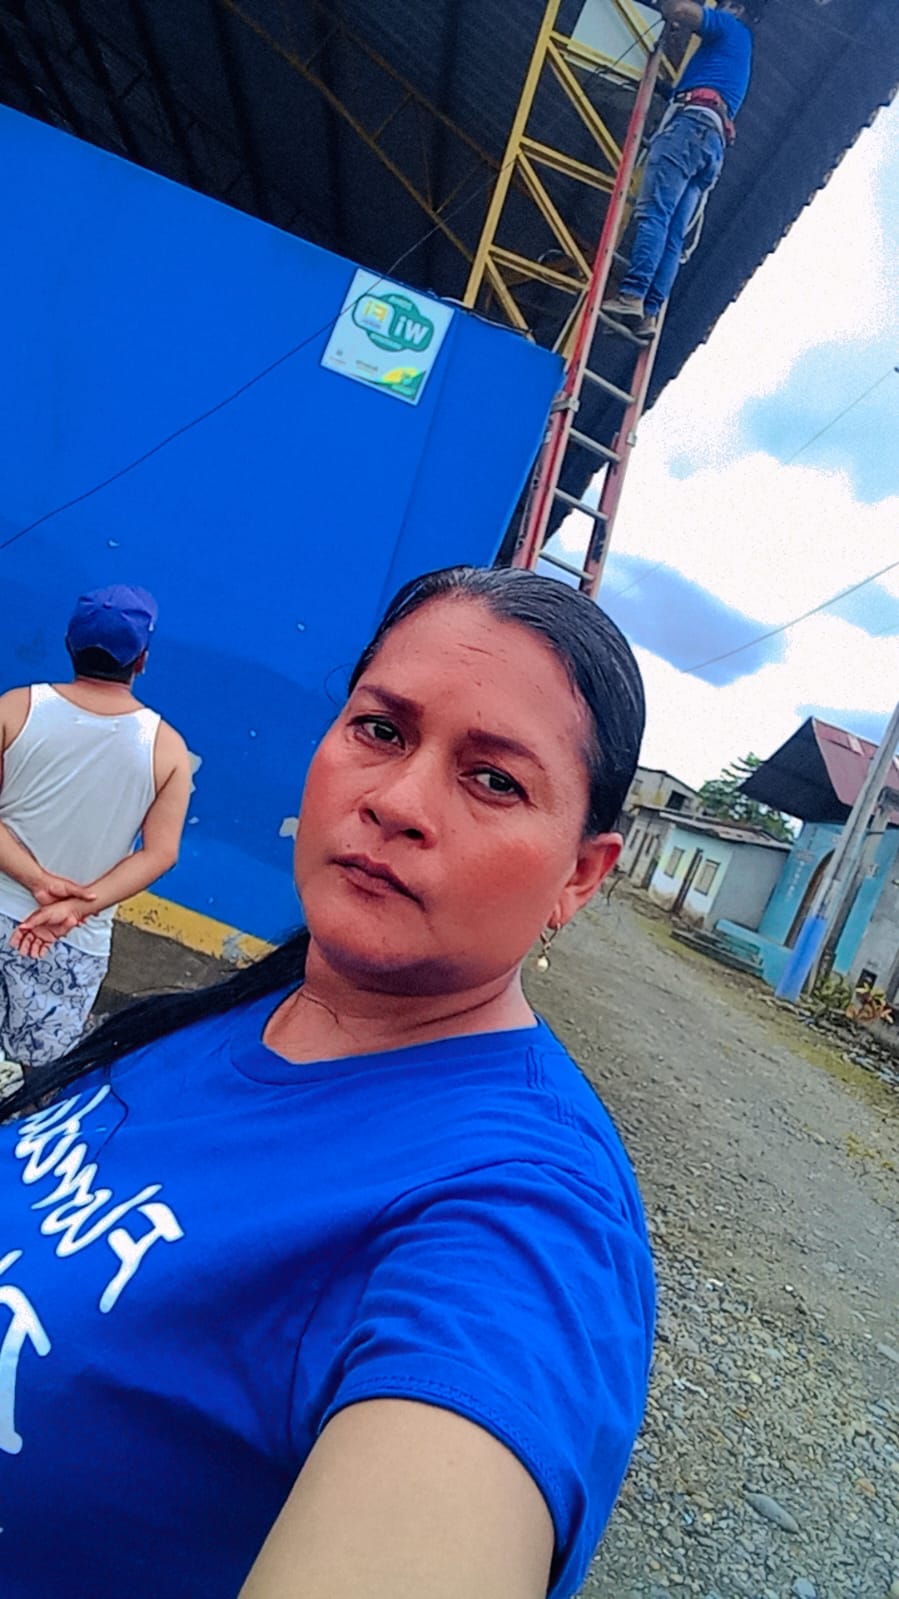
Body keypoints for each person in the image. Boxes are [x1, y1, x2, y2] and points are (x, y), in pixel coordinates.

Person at [0, 566, 654, 1599]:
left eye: (493, 780)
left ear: (579, 874)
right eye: (380, 730)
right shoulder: (236, 1015)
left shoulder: (519, 1212)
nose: (396, 802)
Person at [0, 583, 191, 1068]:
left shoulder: (15, 708)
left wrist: (35, 879)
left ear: (70, 644)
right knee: (32, 1081)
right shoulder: (167, 749)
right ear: (141, 660)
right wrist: (77, 907)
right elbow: (160, 853)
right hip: (70, 941)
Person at [603, 0, 760, 337]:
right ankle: (649, 313)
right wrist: (662, 88)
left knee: (654, 213)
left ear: (737, 9)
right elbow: (688, 91)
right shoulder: (737, 52)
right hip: (711, 143)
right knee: (674, 235)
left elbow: (683, 11)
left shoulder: (729, 27)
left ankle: (632, 295)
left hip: (689, 129)